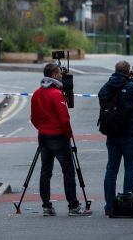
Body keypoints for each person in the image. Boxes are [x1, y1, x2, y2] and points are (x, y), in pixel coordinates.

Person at [30, 63, 93, 217]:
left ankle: (46, 206)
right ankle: (73, 206)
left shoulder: (37, 93)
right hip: (58, 136)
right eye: (59, 73)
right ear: (52, 75)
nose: (61, 76)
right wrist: (68, 134)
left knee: (46, 171)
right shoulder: (57, 94)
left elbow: (33, 118)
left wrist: (42, 128)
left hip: (43, 136)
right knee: (68, 171)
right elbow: (64, 118)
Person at [97, 60, 133, 216]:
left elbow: (101, 97)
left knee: (111, 169)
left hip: (112, 134)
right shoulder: (131, 87)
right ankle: (127, 204)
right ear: (128, 71)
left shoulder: (107, 86)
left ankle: (109, 206)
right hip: (130, 134)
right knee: (130, 168)